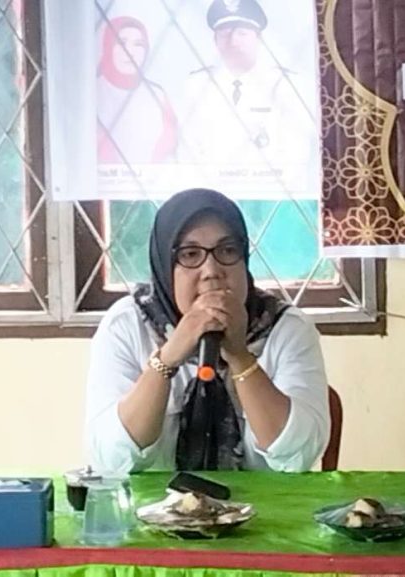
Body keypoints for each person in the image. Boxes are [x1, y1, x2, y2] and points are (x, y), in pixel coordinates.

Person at [85, 188, 329, 472]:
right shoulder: (128, 324)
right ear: (165, 265)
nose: (212, 270)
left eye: (228, 251)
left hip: (266, 500)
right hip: (155, 501)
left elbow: (299, 456)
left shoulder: (286, 327)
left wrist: (240, 357)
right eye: (190, 254)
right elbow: (112, 459)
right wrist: (167, 359)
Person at [178, 0, 315, 170]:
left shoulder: (285, 85)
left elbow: (297, 151)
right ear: (215, 41)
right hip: (209, 182)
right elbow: (186, 147)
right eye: (225, 34)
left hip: (268, 182)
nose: (233, 41)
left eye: (242, 33)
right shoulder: (196, 84)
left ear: (259, 38)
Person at [97, 16, 178, 164]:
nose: (130, 52)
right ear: (108, 46)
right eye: (121, 42)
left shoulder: (157, 95)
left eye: (138, 44)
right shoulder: (91, 93)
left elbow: (169, 147)